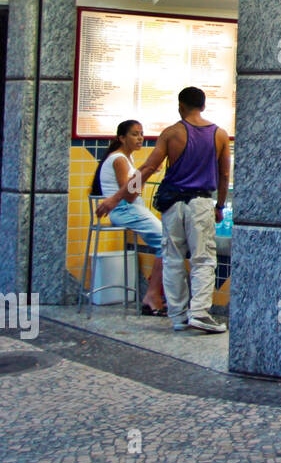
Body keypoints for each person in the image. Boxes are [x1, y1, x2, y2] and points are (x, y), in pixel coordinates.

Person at [102, 87, 230, 334]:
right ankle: (201, 313)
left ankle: (178, 316)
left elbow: (149, 167)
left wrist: (118, 197)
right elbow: (224, 175)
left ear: (180, 105)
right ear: (203, 106)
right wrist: (220, 206)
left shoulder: (171, 133)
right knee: (203, 259)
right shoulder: (220, 135)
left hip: (172, 205)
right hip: (201, 203)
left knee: (172, 258)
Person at [91, 119, 166, 316]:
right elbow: (130, 194)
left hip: (128, 209)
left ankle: (155, 285)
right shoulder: (119, 160)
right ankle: (152, 294)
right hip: (125, 210)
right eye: (134, 134)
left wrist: (143, 170)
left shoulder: (126, 158)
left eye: (141, 133)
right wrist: (146, 172)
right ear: (121, 138)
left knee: (167, 242)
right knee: (167, 242)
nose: (140, 138)